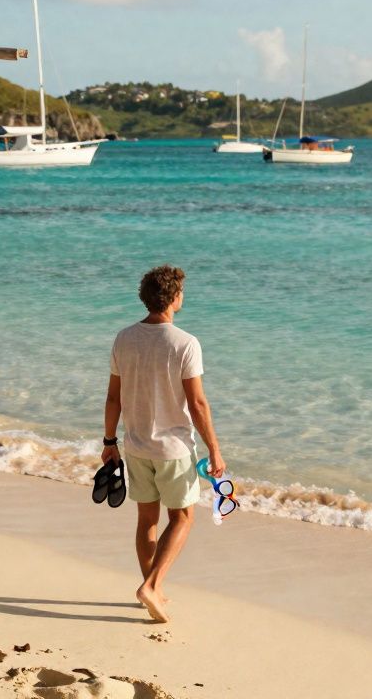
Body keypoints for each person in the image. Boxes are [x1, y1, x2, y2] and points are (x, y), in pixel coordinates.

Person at [102, 265, 225, 623]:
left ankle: (150, 587)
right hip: (173, 449)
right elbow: (198, 403)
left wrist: (109, 440)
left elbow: (113, 398)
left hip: (135, 445)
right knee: (183, 517)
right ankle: (152, 586)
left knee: (146, 520)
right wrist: (215, 449)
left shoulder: (124, 338)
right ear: (173, 298)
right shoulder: (185, 343)